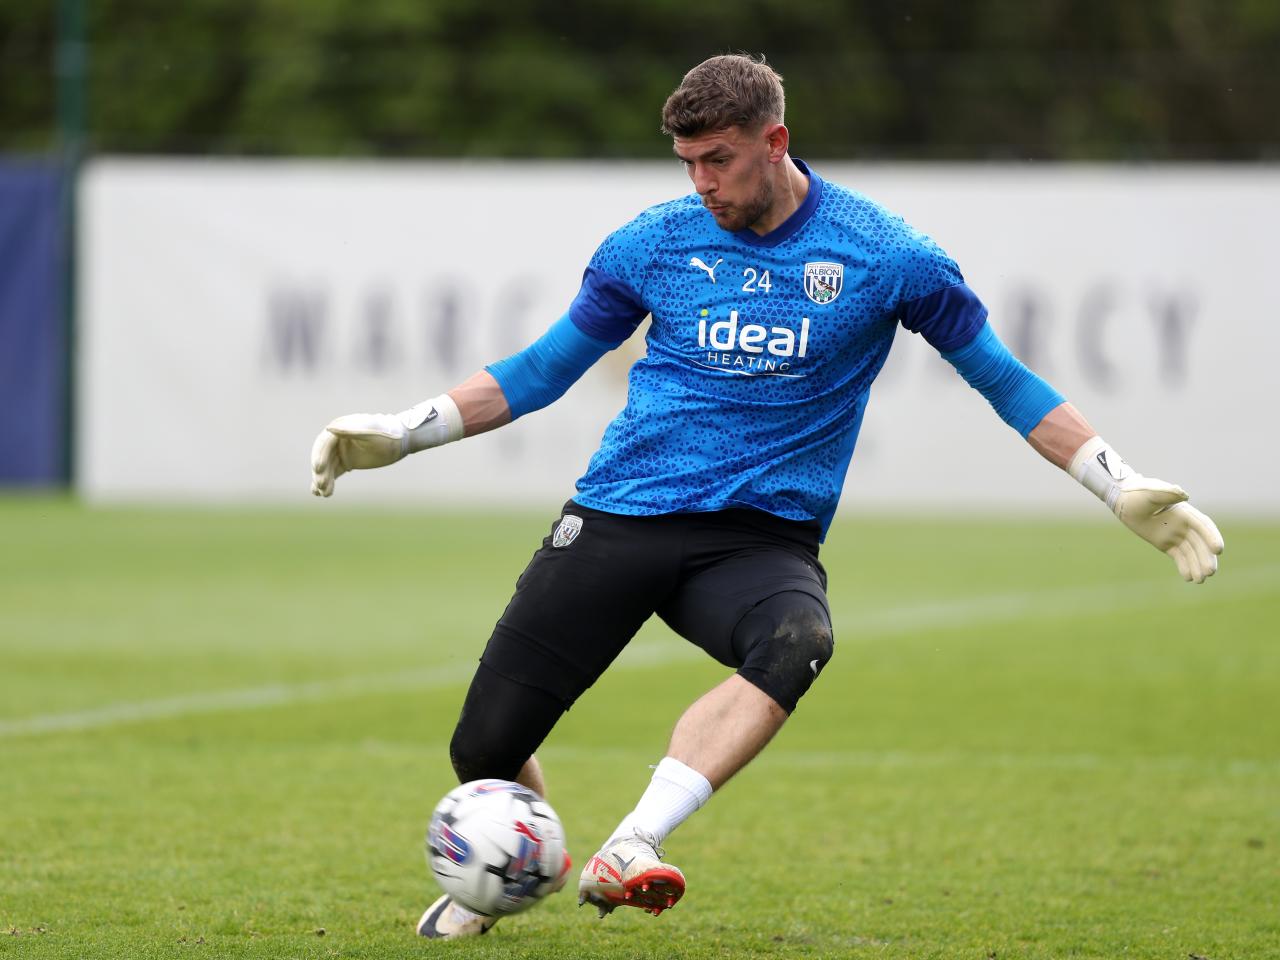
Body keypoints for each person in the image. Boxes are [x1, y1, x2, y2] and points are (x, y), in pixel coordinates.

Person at [309, 54, 1224, 939]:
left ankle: (634, 843)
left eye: (719, 160)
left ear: (774, 140)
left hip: (757, 541)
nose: (701, 182)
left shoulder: (885, 254)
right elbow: (541, 372)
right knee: (483, 750)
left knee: (798, 639)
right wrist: (405, 428)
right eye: (687, 163)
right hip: (620, 512)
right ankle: (522, 864)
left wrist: (1115, 482)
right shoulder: (653, 242)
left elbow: (1005, 380)